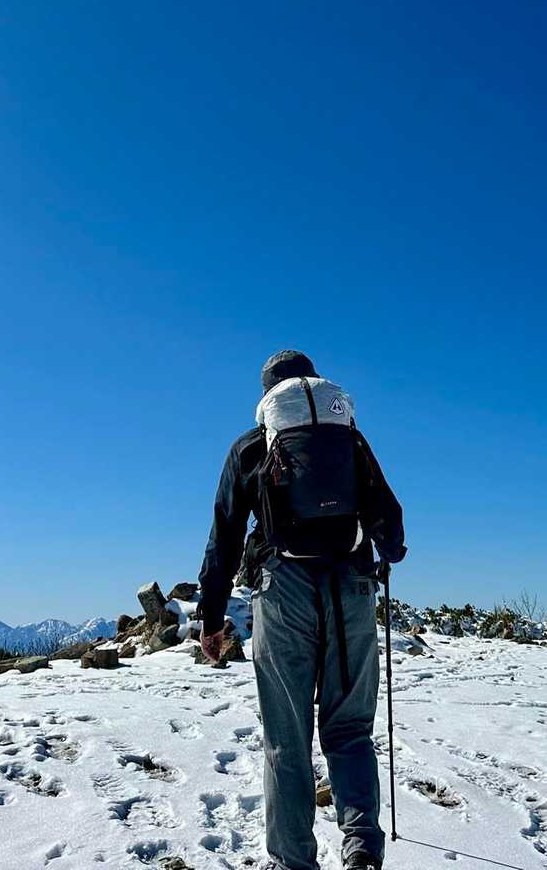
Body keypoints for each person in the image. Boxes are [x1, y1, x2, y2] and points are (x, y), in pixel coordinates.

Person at [198, 350, 407, 870]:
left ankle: (294, 861)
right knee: (349, 727)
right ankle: (362, 846)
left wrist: (211, 618)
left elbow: (225, 537)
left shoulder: (251, 447)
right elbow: (390, 523)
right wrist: (384, 551)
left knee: (287, 737)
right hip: (351, 587)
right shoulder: (349, 440)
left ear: (267, 395)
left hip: (283, 590)